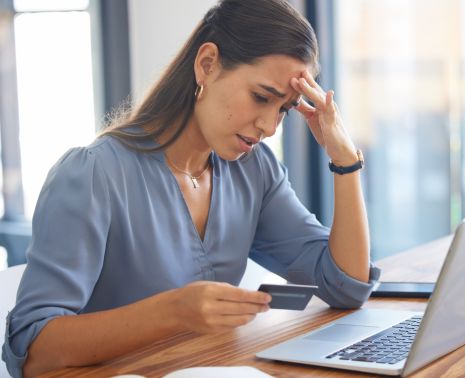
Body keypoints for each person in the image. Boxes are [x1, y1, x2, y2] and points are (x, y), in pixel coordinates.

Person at [1, 0, 379, 377]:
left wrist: (345, 161)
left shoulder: (253, 170)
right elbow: (33, 350)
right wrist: (172, 311)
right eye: (261, 97)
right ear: (207, 65)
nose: (269, 126)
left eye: (284, 107)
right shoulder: (94, 175)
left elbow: (345, 286)